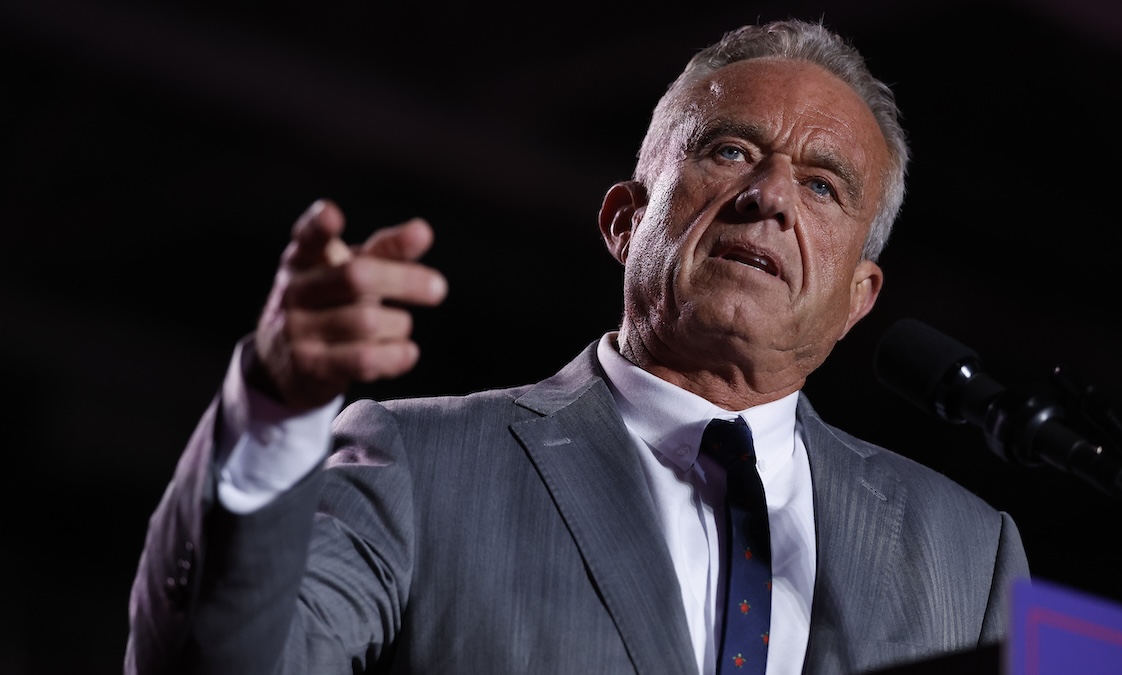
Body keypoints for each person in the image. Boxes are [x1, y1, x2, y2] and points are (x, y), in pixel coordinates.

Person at [125, 17, 1029, 675]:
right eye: (728, 152)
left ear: (857, 298)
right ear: (624, 222)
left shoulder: (969, 555)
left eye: (825, 186)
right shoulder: (420, 465)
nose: (772, 197)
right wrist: (276, 410)